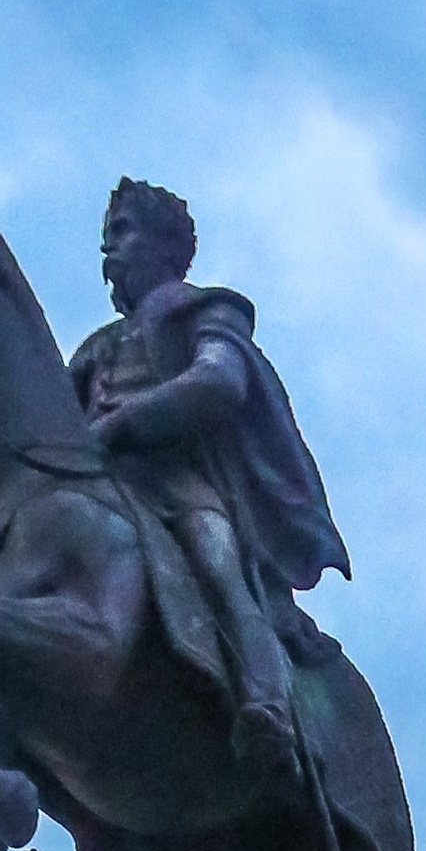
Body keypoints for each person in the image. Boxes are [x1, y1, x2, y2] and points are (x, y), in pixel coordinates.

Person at [68, 177, 348, 795]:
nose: (108, 254)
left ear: (166, 245)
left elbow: (219, 383)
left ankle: (267, 705)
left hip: (181, 487)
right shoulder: (95, 348)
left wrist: (125, 423)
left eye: (122, 234)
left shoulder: (209, 311)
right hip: (100, 493)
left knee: (218, 565)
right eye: (104, 241)